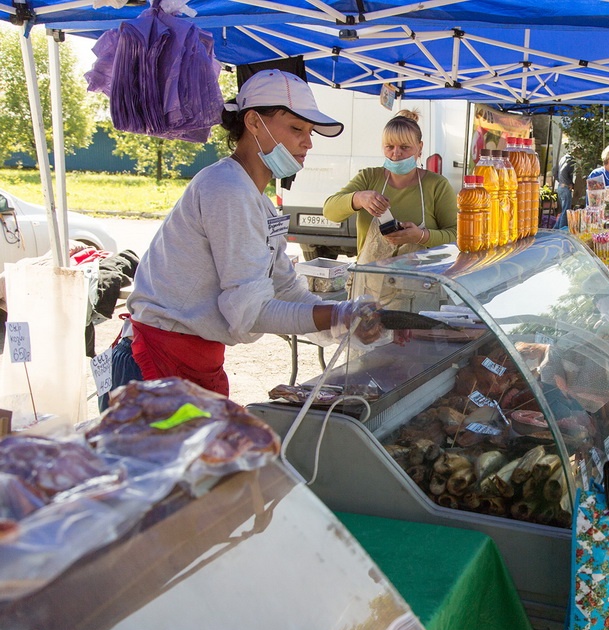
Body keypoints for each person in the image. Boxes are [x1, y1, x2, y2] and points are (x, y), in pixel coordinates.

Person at [105, 70, 384, 407]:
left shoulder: (260, 202)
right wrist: (340, 315)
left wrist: (343, 324)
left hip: (195, 360)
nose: (307, 143)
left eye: (310, 133)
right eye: (297, 129)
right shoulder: (225, 189)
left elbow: (286, 289)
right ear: (253, 122)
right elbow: (249, 313)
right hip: (155, 363)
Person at [322, 110, 457, 262]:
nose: (396, 153)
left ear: (419, 148)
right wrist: (358, 198)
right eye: (389, 146)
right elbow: (329, 212)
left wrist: (421, 236)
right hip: (370, 280)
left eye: (405, 147)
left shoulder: (437, 185)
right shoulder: (369, 178)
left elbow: (457, 235)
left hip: (419, 282)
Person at [553, 150, 575, 229]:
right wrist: (570, 183)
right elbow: (570, 174)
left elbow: (554, 171)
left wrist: (560, 181)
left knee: (563, 210)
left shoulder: (563, 158)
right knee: (566, 211)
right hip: (565, 187)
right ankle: (562, 229)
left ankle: (555, 228)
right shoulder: (571, 160)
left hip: (560, 187)